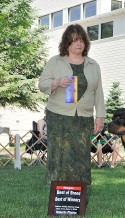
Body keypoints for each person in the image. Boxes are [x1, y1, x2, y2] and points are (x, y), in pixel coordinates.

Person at [38, 24, 105, 185]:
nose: (79, 44)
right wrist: (57, 82)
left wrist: (100, 116)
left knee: (81, 154)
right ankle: (57, 190)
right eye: (75, 40)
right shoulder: (55, 61)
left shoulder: (93, 65)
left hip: (84, 117)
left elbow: (99, 92)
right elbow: (42, 84)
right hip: (58, 116)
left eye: (82, 40)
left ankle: (79, 191)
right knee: (59, 155)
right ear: (67, 43)